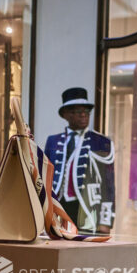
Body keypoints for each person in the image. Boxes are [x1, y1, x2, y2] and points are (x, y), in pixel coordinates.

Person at [42, 87, 115, 234]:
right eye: (78, 112)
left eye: (86, 112)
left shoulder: (101, 142)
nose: (84, 115)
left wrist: (105, 221)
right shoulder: (53, 141)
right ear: (66, 115)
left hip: (86, 208)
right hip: (57, 206)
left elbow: (108, 185)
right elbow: (45, 177)